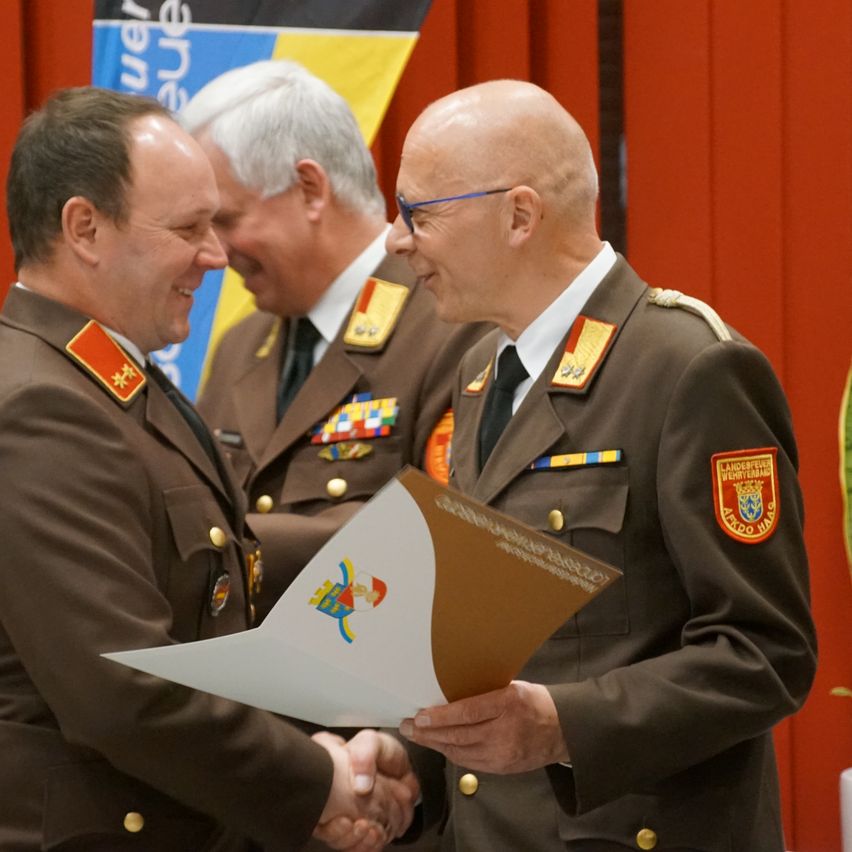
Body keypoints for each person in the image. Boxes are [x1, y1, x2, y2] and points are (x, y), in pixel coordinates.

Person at [385, 80, 817, 851]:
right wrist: (406, 751)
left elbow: (765, 653)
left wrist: (563, 728)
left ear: (519, 214)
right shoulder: (483, 372)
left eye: (422, 213)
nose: (395, 240)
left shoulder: (687, 367)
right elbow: (486, 642)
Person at [0, 86, 417, 852]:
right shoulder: (38, 407)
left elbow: (219, 553)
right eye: (189, 228)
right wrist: (316, 779)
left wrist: (413, 542)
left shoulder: (107, 379)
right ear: (84, 228)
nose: (216, 255)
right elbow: (122, 692)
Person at [180, 60, 488, 625]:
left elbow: (448, 539)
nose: (215, 253)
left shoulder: (454, 327)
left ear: (310, 189)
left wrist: (214, 546)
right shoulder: (239, 347)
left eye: (226, 219)